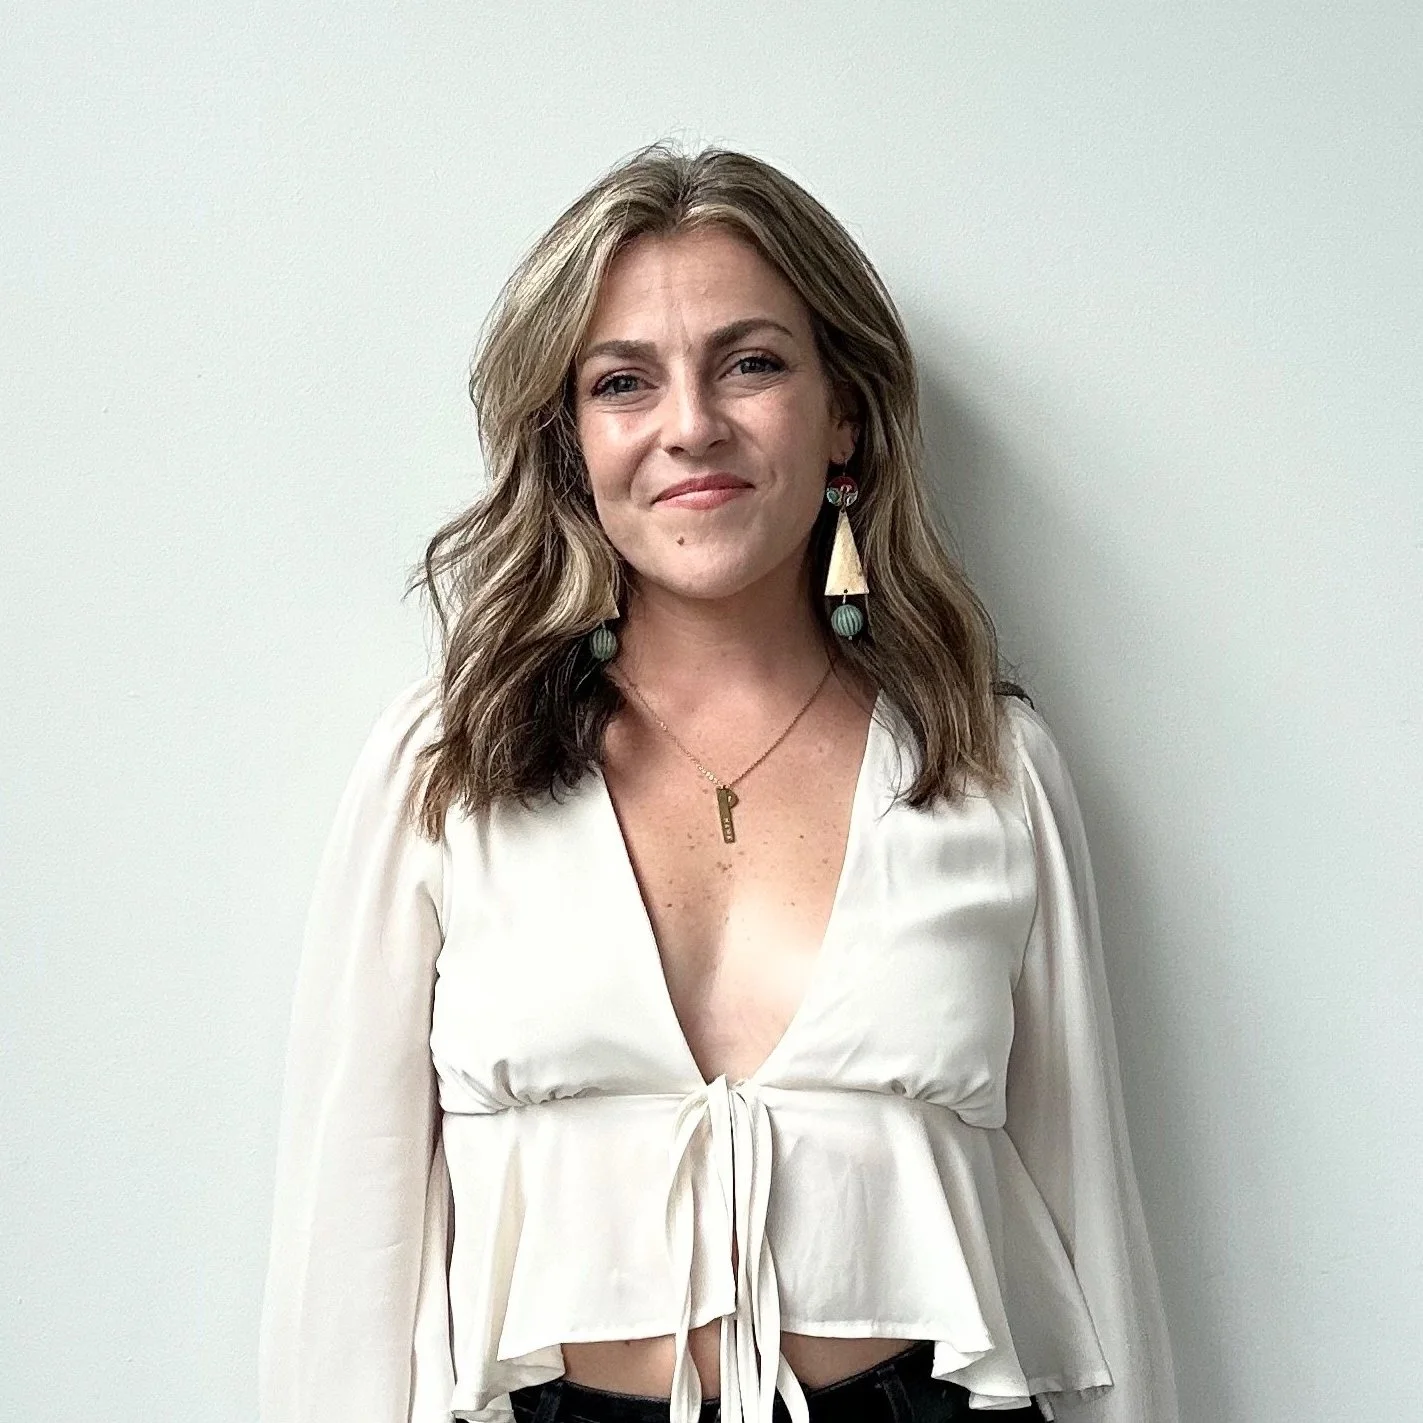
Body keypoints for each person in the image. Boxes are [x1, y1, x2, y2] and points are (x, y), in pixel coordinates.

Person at [257, 142, 1179, 1423]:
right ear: (572, 443)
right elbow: (351, 1243)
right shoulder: (447, 767)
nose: (690, 424)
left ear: (843, 412)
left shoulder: (983, 762)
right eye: (622, 381)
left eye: (751, 363)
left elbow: (1088, 1223)